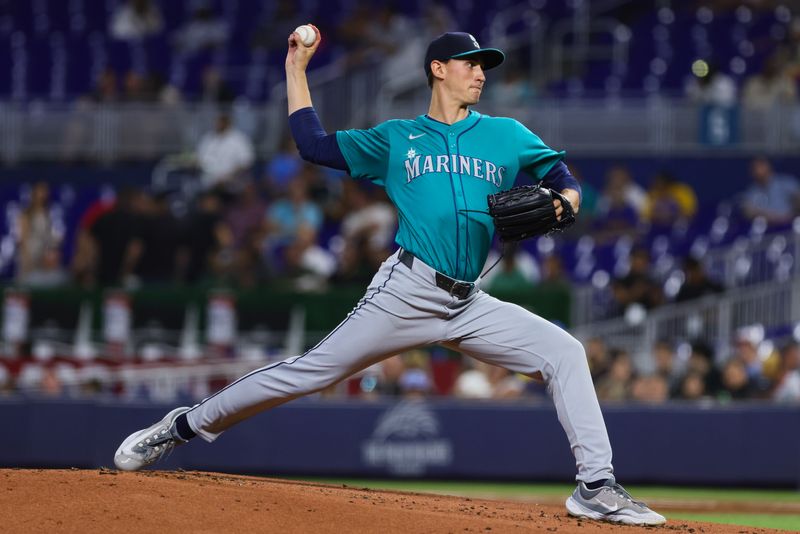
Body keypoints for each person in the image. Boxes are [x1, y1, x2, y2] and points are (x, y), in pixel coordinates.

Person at [114, 28, 665, 526]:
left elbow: (562, 177)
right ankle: (182, 427)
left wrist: (566, 203)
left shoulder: (505, 134)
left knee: (565, 352)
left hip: (469, 301)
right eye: (469, 62)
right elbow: (313, 145)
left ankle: (595, 487)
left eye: (483, 65)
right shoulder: (396, 138)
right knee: (307, 373)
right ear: (437, 69)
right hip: (406, 291)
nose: (480, 72)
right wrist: (296, 69)